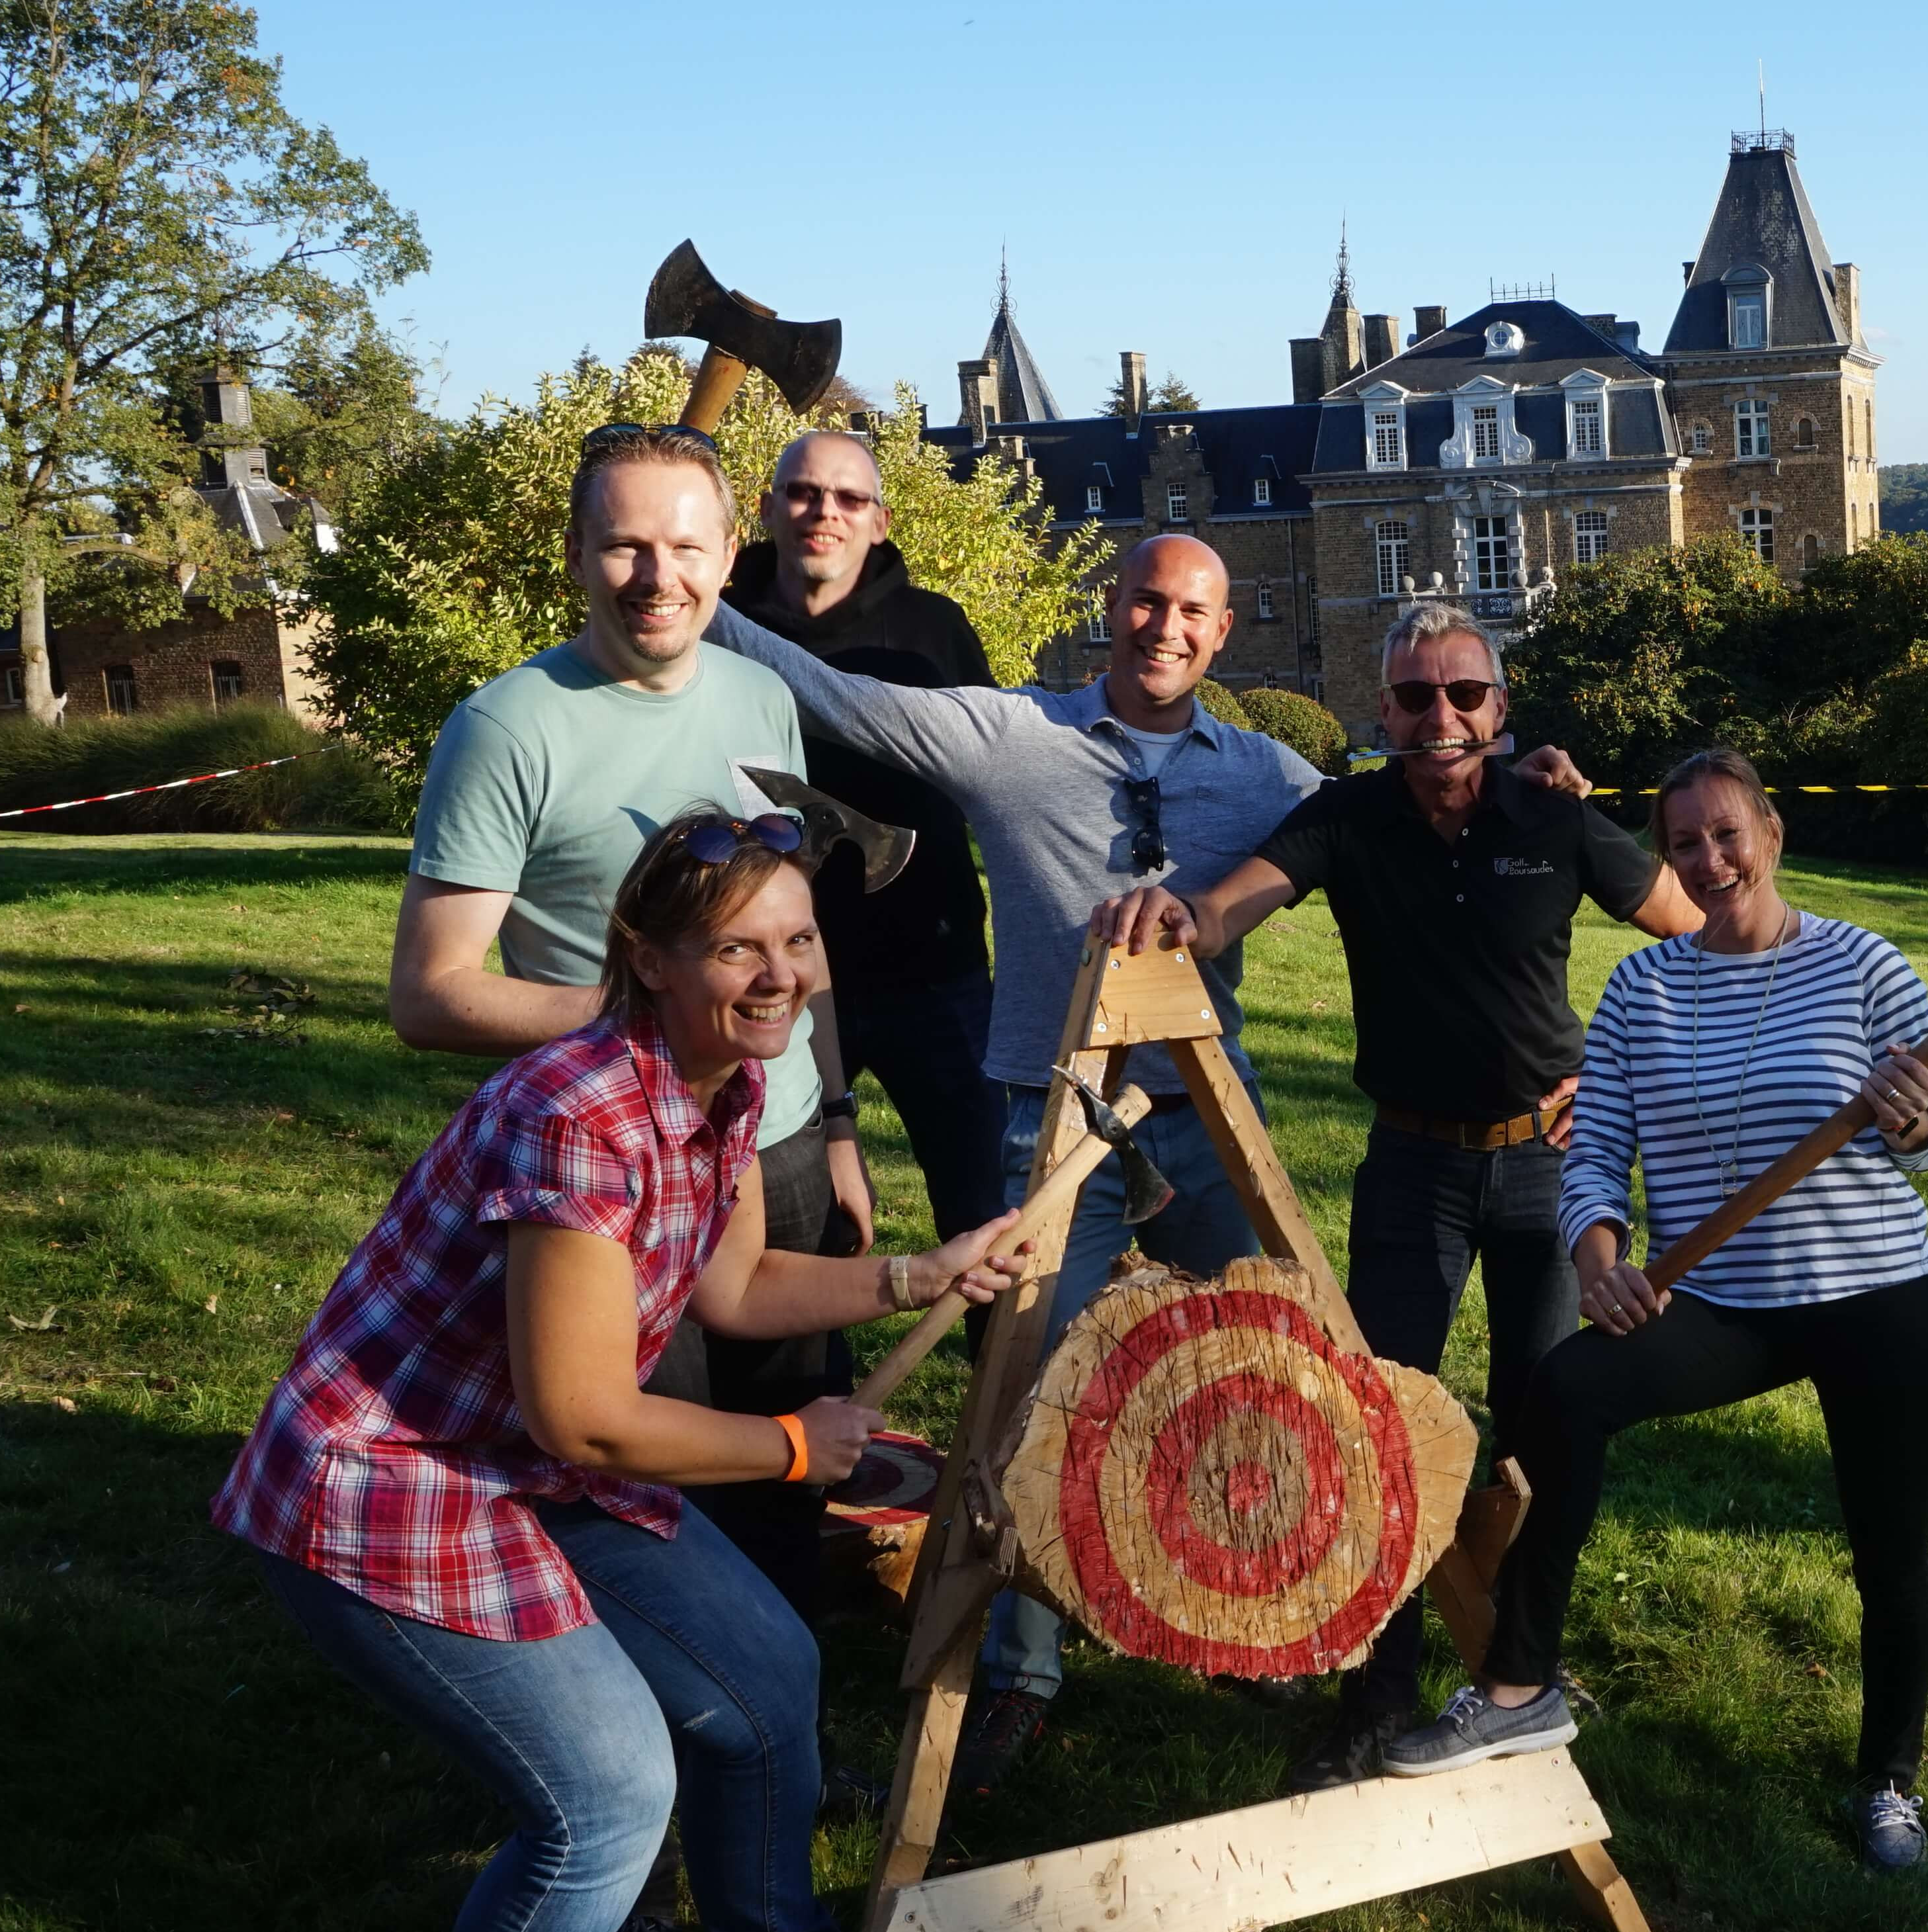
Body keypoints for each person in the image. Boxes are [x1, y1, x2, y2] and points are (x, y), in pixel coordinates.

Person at [217, 811, 1031, 1932]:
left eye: (798, 940)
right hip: (388, 1488)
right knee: (604, 1799)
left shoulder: (711, 1089)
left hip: (524, 1465)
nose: (780, 976)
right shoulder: (578, 1112)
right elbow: (587, 1415)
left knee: (767, 1678)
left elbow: (731, 1286)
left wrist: (918, 1275)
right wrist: (785, 1449)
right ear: (648, 960)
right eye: (736, 949)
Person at [698, 533, 1317, 1795]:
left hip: (1204, 1110)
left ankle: (1262, 1602)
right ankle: (1022, 1672)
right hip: (1049, 1120)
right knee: (1032, 1397)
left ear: (1224, 628)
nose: (1164, 627)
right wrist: (692, 593)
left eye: (1192, 611)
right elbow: (852, 702)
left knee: (1270, 1350)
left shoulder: (1267, 774)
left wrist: (1525, 782)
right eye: (1147, 601)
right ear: (1114, 605)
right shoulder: (1013, 738)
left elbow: (1391, 820)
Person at [1084, 600, 1700, 1790]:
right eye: (1417, 696)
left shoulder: (1553, 818)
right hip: (1412, 1165)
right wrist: (1179, 917)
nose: (1443, 716)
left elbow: (1683, 938)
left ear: (1500, 707)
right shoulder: (1350, 816)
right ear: (1386, 710)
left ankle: (1518, 1671)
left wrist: (1615, 1074)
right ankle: (1377, 1691)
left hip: (1547, 1168)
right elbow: (1231, 906)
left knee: (1537, 1427)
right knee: (1374, 1430)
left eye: (1465, 694)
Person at [1372, 749, 1928, 1874]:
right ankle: (1518, 1680)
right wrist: (1600, 1256)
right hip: (1730, 1300)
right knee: (1567, 1388)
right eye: (1684, 842)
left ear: (1772, 832)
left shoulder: (1863, 964)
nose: (1709, 859)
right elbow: (1595, 1150)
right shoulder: (1645, 989)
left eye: (1727, 833)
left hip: (1881, 1295)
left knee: (1890, 1547)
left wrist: (1913, 1117)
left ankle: (1888, 1779)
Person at [388, 422, 873, 1620]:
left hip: (784, 1141)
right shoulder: (507, 726)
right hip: (625, 1171)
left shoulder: (763, 693)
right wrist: (656, 1018)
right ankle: (670, 1751)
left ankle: (782, 1737)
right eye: (624, 546)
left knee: (790, 1459)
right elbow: (431, 990)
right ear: (574, 554)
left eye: (684, 545)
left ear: (727, 553)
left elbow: (790, 941)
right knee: (658, 1487)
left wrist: (842, 1120)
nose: (658, 578)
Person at [723, 431, 1006, 1245]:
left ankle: (1008, 1369)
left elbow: (992, 769)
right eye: (805, 493)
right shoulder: (713, 619)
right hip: (767, 976)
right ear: (769, 506)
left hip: (934, 969)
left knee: (986, 1209)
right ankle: (818, 1375)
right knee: (794, 1212)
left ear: (879, 521)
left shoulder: (933, 630)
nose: (826, 513)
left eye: (849, 499)